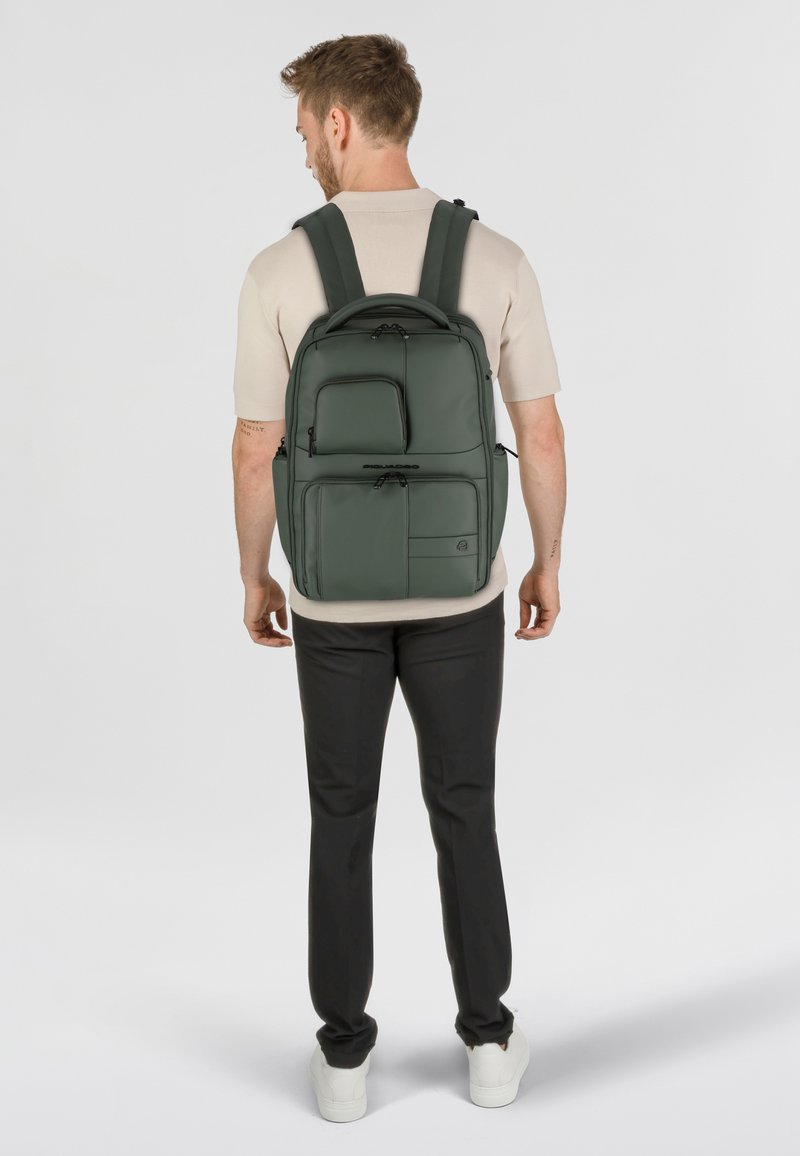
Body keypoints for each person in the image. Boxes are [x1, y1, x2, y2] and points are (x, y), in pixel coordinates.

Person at [231, 34, 566, 1120]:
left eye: (303, 131)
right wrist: (546, 560)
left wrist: (257, 575)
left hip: (331, 596)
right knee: (464, 804)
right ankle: (488, 1042)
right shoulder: (495, 259)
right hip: (462, 588)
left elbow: (254, 446)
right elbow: (541, 431)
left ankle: (342, 1060)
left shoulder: (280, 270)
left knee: (341, 812)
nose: (302, 153)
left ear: (339, 123)